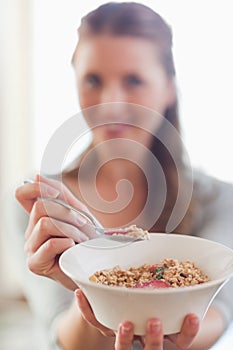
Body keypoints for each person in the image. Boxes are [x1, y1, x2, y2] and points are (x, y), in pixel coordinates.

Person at [14, 2, 233, 349]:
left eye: (134, 80)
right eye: (92, 80)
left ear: (169, 89)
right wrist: (85, 284)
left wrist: (168, 330)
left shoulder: (221, 200)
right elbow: (60, 336)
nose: (111, 103)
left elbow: (217, 316)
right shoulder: (45, 207)